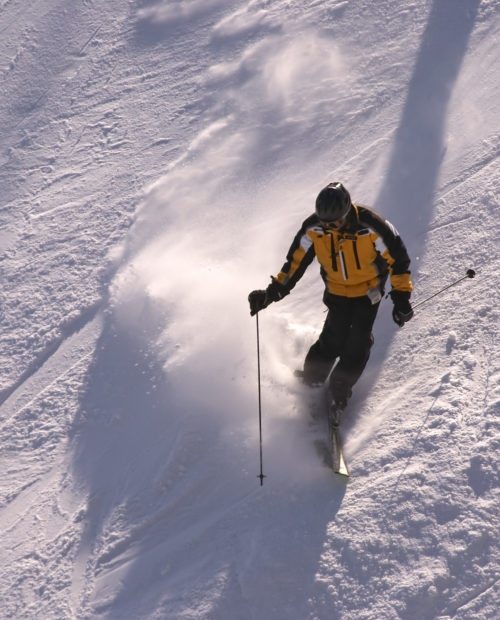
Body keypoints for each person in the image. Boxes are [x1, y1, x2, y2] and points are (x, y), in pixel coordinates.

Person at [248, 182, 413, 413]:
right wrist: (271, 293)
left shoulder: (371, 225)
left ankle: (339, 388)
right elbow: (295, 263)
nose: (330, 227)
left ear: (346, 212)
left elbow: (398, 260)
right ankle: (311, 382)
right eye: (325, 223)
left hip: (368, 293)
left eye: (334, 223)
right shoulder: (314, 228)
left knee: (358, 343)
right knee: (332, 340)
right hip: (336, 292)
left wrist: (402, 298)